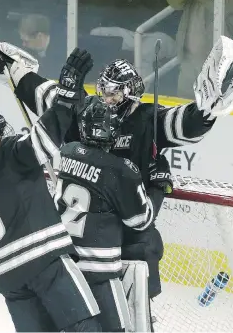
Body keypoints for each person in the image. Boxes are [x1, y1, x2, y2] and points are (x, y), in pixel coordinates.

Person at [0, 36, 232, 329]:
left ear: (131, 96)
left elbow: (185, 123)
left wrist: (205, 113)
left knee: (143, 249)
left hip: (110, 225)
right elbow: (45, 95)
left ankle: (136, 309)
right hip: (101, 231)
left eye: (115, 95)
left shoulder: (145, 119)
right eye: (104, 91)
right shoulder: (89, 111)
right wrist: (13, 70)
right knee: (136, 253)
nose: (106, 100)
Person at [0, 49, 102, 332]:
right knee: (84, 327)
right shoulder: (12, 154)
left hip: (6, 275)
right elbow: (49, 133)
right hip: (44, 261)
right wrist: (67, 92)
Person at [55, 101, 168, 332]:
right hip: (99, 272)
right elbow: (140, 221)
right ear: (113, 132)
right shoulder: (121, 170)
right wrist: (158, 186)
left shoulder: (66, 152)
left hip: (63, 266)